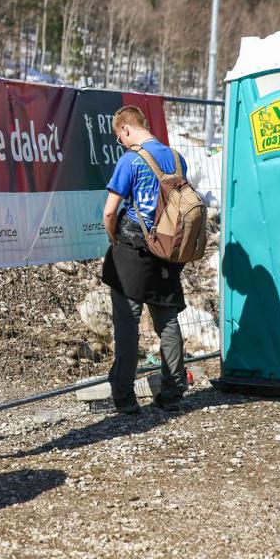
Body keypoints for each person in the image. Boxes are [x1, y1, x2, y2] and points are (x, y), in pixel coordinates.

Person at [101, 105, 188, 415]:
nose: (121, 142)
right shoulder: (177, 158)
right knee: (167, 322)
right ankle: (173, 392)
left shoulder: (130, 160)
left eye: (119, 137)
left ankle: (124, 397)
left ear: (126, 129)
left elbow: (109, 212)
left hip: (133, 250)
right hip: (167, 251)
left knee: (127, 323)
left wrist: (114, 239)